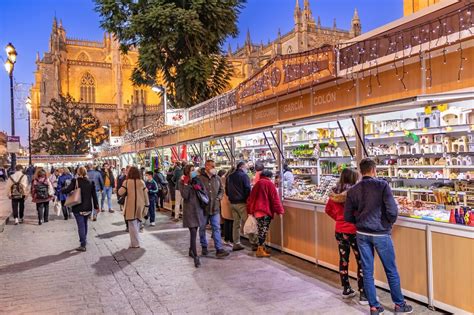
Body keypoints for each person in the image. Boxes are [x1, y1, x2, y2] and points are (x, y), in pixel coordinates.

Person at [345, 158, 413, 315]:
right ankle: (399, 304)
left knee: (367, 271)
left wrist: (361, 221)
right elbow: (393, 211)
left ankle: (374, 307)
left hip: (362, 234)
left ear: (361, 171)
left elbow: (348, 216)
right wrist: (388, 224)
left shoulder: (353, 190)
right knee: (391, 269)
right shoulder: (382, 185)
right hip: (381, 233)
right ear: (374, 170)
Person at [325, 168, 367, 303]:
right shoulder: (355, 193)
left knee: (344, 259)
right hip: (355, 230)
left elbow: (328, 210)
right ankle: (363, 293)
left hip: (339, 230)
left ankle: (346, 289)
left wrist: (339, 219)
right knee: (361, 261)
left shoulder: (334, 193)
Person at [247, 170, 284, 258]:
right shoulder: (269, 184)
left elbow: (250, 198)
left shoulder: (257, 183)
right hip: (265, 210)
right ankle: (260, 250)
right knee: (263, 231)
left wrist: (249, 211)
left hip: (257, 211)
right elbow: (275, 199)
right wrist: (280, 211)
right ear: (269, 176)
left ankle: (262, 248)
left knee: (260, 230)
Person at [198, 160, 229, 258]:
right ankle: (204, 247)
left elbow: (221, 190)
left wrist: (218, 197)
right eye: (212, 166)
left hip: (215, 208)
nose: (214, 168)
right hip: (203, 208)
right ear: (207, 166)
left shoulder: (217, 178)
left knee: (216, 228)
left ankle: (219, 249)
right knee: (202, 228)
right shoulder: (199, 178)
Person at [62, 166, 99, 252]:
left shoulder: (75, 181)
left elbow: (67, 190)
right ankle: (84, 241)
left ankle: (83, 244)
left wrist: (62, 189)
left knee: (81, 226)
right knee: (85, 224)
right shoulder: (91, 182)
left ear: (78, 173)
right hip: (88, 207)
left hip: (78, 207)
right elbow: (94, 196)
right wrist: (97, 207)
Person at [226, 161, 258, 251]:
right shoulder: (244, 176)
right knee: (249, 222)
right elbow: (248, 189)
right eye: (246, 167)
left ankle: (236, 243)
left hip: (232, 203)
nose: (246, 169)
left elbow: (227, 190)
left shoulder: (230, 176)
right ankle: (254, 243)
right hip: (241, 203)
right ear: (242, 167)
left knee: (236, 224)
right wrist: (248, 200)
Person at [179, 164, 206, 267]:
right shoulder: (182, 181)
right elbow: (185, 196)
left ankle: (191, 250)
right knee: (193, 232)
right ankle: (196, 257)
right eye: (191, 170)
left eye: (194, 170)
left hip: (198, 210)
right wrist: (186, 185)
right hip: (189, 211)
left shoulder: (198, 179)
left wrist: (198, 187)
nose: (193, 171)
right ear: (187, 171)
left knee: (196, 230)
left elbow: (204, 192)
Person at [118, 166, 149, 248]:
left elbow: (120, 192)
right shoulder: (142, 182)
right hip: (140, 205)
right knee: (137, 223)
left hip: (130, 206)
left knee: (132, 225)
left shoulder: (126, 182)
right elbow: (146, 195)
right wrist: (147, 205)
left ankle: (135, 243)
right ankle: (135, 242)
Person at [219, 169, 233, 247]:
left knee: (227, 221)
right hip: (228, 202)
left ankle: (227, 238)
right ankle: (230, 239)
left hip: (224, 202)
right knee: (230, 221)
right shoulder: (228, 180)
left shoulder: (222, 179)